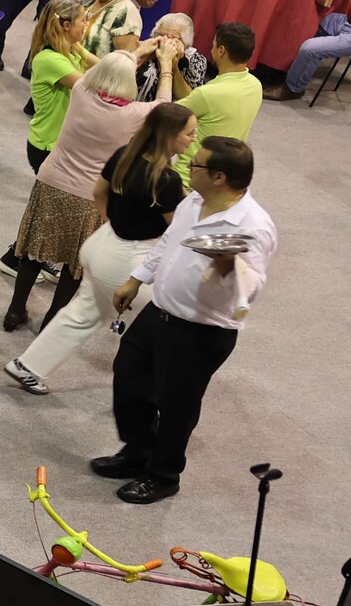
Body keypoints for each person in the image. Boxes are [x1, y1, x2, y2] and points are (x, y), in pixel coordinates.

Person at [95, 137, 274, 502]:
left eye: (197, 164)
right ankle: (139, 451)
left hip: (200, 331)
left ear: (219, 177)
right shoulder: (193, 201)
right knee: (129, 379)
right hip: (159, 311)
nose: (188, 165)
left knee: (177, 406)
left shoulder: (253, 225)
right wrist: (137, 278)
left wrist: (230, 266)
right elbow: (168, 243)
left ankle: (163, 476)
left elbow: (253, 288)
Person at [7, 101, 192, 395]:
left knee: (82, 314)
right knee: (163, 326)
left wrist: (114, 223)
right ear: (169, 135)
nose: (193, 138)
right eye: (189, 133)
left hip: (102, 246)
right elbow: (177, 230)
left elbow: (98, 193)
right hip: (130, 261)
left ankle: (27, 366)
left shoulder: (124, 155)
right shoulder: (166, 180)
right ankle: (148, 394)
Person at [6, 47, 170, 333]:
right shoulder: (135, 113)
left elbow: (96, 70)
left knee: (34, 250)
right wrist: (166, 65)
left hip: (51, 183)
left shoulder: (81, 91)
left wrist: (134, 53)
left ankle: (14, 311)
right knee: (75, 264)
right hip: (90, 197)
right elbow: (165, 104)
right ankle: (51, 321)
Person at [177, 20, 261, 182]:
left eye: (213, 46)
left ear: (221, 51)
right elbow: (197, 101)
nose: (211, 50)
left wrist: (166, 68)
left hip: (189, 177)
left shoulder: (208, 94)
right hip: (223, 176)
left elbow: (165, 115)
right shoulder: (256, 86)